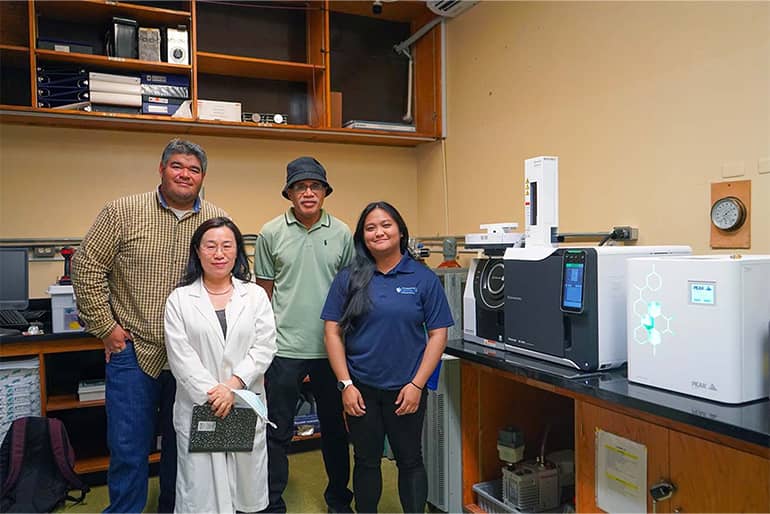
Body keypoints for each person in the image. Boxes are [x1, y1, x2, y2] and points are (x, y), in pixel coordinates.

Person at [71, 138, 227, 513]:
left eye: (193, 169)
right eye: (177, 166)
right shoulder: (122, 211)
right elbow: (86, 268)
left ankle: (176, 507)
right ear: (161, 169)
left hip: (193, 356)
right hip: (134, 351)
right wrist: (106, 328)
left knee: (188, 444)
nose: (185, 174)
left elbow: (229, 278)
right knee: (128, 447)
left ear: (203, 176)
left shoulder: (216, 219)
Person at [321, 201, 454, 514]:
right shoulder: (348, 279)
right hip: (361, 389)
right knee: (366, 461)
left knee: (410, 460)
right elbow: (332, 333)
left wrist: (417, 385)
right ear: (362, 236)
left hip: (406, 390)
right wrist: (345, 385)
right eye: (370, 227)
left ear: (400, 231)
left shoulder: (423, 278)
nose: (378, 232)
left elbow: (438, 335)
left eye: (386, 225)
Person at [254, 156, 355, 513]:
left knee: (335, 429)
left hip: (332, 348)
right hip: (284, 348)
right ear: (289, 193)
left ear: (325, 192)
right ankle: (271, 502)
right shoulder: (270, 233)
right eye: (300, 187)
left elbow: (351, 292)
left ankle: (339, 499)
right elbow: (262, 294)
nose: (308, 193)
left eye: (315, 186)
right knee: (277, 430)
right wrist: (261, 347)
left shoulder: (342, 233)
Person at [164, 217, 277, 513]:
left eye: (227, 246)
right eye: (210, 246)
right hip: (203, 404)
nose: (219, 253)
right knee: (203, 493)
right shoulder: (180, 299)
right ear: (197, 252)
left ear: (237, 252)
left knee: (244, 489)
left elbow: (264, 347)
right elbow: (181, 357)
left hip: (242, 400)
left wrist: (232, 387)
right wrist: (216, 394)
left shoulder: (253, 296)